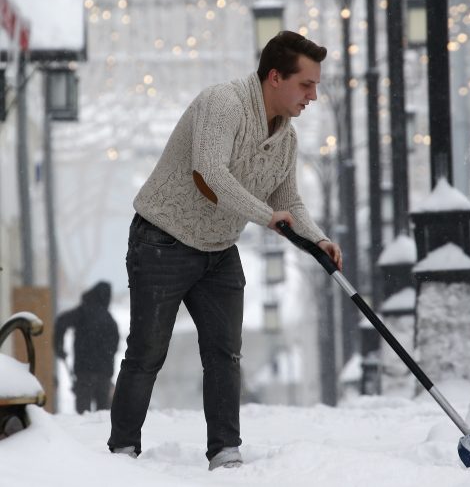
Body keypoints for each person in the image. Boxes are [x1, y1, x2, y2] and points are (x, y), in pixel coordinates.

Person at [107, 30, 342, 469]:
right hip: (163, 240)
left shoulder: (286, 139)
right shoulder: (223, 103)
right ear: (275, 77)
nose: (314, 94)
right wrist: (264, 214)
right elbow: (208, 172)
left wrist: (319, 239)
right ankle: (122, 452)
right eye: (306, 84)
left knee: (224, 353)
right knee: (146, 353)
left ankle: (224, 451)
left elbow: (287, 202)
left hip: (218, 249)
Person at [55, 281, 119, 414]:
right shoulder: (109, 320)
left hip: (84, 372)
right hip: (103, 375)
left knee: (83, 415)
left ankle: (84, 435)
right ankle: (102, 435)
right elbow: (114, 346)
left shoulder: (83, 312)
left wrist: (59, 346)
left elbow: (61, 322)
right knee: (103, 417)